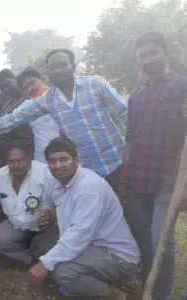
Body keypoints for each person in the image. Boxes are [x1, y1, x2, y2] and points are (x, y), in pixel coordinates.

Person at [0, 49, 127, 192]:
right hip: (84, 171)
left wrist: (132, 154)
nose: (58, 70)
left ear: (73, 66)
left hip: (117, 162)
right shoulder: (48, 100)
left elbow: (125, 115)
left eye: (63, 65)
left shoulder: (96, 84)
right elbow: (12, 119)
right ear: (48, 73)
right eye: (53, 68)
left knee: (130, 214)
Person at [28, 137, 141, 300]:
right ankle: (86, 282)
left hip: (115, 254)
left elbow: (79, 235)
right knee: (39, 245)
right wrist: (48, 215)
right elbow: (48, 204)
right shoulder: (54, 180)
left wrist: (45, 265)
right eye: (52, 161)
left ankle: (115, 294)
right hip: (87, 243)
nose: (58, 165)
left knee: (63, 272)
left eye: (64, 159)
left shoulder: (89, 187)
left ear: (77, 160)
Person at [122, 31, 187, 300]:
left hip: (168, 179)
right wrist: (124, 179)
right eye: (142, 56)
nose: (147, 59)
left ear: (165, 53)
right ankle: (146, 282)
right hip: (138, 177)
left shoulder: (182, 87)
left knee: (162, 241)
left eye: (152, 53)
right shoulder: (135, 96)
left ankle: (160, 294)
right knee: (141, 235)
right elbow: (130, 139)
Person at [16, 67, 60, 163]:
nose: (30, 89)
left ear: (41, 78)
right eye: (26, 88)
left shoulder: (60, 95)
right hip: (43, 159)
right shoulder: (26, 107)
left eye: (31, 83)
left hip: (69, 156)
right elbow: (6, 122)